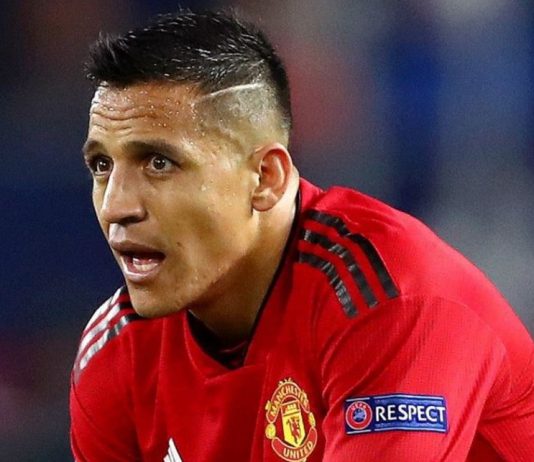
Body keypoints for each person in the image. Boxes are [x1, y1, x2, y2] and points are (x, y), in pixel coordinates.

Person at [70, 10, 534, 462]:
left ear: (265, 178)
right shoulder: (117, 351)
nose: (116, 206)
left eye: (159, 163)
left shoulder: (389, 303)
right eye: (102, 165)